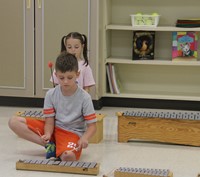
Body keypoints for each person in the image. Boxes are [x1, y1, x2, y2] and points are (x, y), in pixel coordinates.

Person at [9, 52, 97, 161]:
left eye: (70, 77)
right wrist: (47, 134)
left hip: (72, 133)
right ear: (55, 75)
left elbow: (92, 126)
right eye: (61, 77)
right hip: (54, 128)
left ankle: (60, 148)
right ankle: (50, 145)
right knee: (13, 121)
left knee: (68, 157)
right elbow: (49, 121)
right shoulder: (51, 94)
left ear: (77, 74)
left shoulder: (85, 97)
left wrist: (84, 138)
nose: (65, 81)